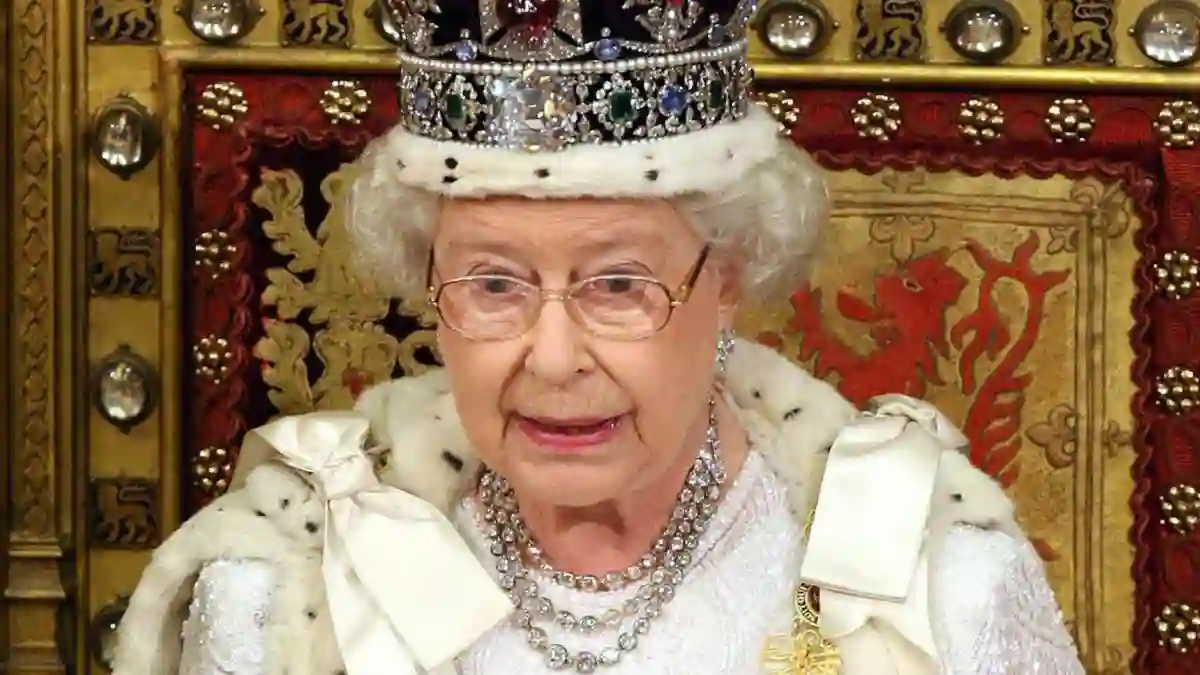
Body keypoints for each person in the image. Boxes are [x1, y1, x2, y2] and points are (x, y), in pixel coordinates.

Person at [112, 0, 1087, 673]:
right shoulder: (291, 583)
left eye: (618, 285)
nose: (551, 356)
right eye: (492, 284)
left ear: (732, 277)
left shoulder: (930, 578)